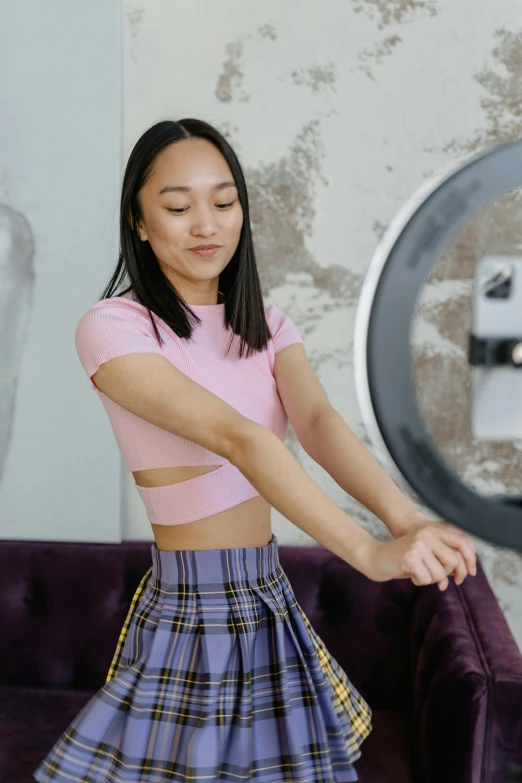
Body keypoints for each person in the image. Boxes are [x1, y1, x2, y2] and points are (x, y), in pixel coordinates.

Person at [33, 118, 477, 783]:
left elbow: (320, 422)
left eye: (224, 201)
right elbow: (238, 439)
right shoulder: (114, 327)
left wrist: (407, 518)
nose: (206, 223)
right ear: (141, 222)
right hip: (192, 607)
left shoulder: (267, 326)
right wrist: (367, 550)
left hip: (266, 594)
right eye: (178, 206)